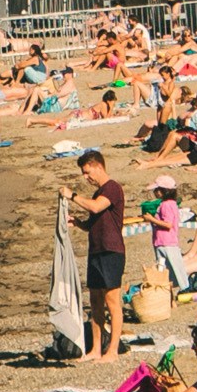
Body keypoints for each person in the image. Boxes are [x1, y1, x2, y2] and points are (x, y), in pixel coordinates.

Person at [71, 147, 127, 361]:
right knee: (95, 301)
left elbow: (96, 208)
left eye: (87, 172)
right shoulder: (98, 193)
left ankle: (112, 350)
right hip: (96, 250)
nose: (86, 177)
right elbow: (94, 222)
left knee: (112, 301)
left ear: (98, 166)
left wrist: (73, 196)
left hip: (112, 251)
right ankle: (95, 349)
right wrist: (78, 223)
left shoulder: (112, 188)